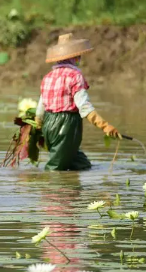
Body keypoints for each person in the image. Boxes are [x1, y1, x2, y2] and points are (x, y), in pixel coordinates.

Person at [35, 33, 121, 171]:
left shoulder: (48, 77)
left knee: (81, 165)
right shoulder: (75, 76)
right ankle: (50, 190)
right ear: (75, 57)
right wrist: (105, 126)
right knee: (55, 168)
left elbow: (41, 106)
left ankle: (72, 191)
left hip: (49, 124)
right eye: (78, 56)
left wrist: (38, 124)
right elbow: (84, 107)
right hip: (66, 126)